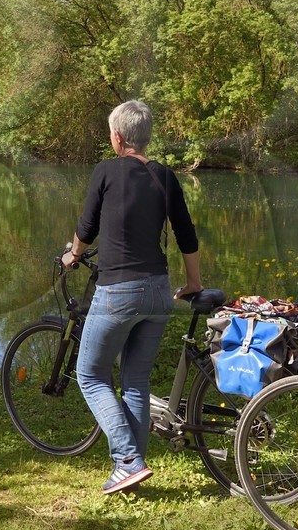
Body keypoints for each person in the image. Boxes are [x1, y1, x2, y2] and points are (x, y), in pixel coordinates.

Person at [63, 100, 202, 494]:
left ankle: (127, 459)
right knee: (136, 381)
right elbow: (186, 234)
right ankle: (133, 473)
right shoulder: (166, 176)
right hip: (158, 291)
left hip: (118, 292)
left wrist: (73, 255)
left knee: (90, 376)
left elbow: (87, 226)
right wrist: (193, 282)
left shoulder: (106, 170)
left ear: (118, 137)